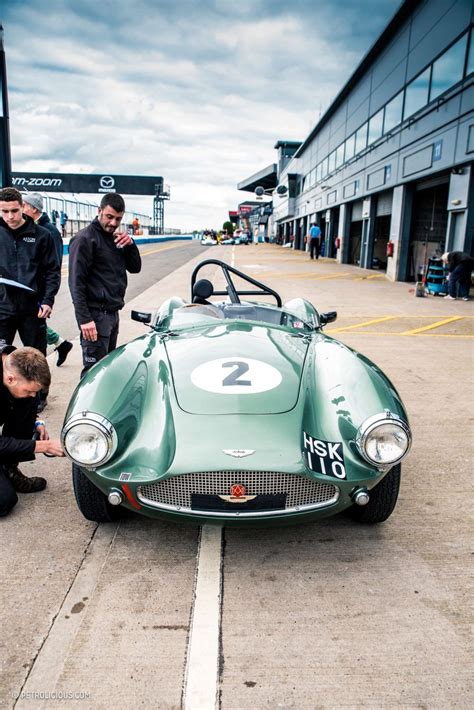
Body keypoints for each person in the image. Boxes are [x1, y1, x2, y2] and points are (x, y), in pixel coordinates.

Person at [68, 193, 142, 376]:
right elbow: (76, 283)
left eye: (118, 219)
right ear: (99, 211)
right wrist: (84, 319)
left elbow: (135, 268)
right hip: (95, 316)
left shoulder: (115, 238)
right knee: (93, 374)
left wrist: (131, 245)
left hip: (112, 314)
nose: (113, 223)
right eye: (109, 217)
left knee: (108, 372)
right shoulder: (84, 239)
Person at [0, 345, 64, 517]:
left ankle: (8, 468)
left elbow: (28, 402)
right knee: (4, 501)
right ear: (10, 379)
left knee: (26, 402)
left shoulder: (14, 361)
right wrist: (45, 446)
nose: (32, 395)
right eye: (29, 390)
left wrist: (37, 422)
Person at [0, 187, 60, 356]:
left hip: (33, 310)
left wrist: (48, 300)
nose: (10, 216)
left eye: (14, 211)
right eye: (5, 211)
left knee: (36, 360)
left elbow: (52, 271)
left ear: (22, 207)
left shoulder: (43, 235)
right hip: (2, 309)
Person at [22, 193, 73, 367]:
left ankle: (59, 345)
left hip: (39, 290)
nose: (22, 209)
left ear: (33, 208)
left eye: (24, 205)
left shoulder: (49, 232)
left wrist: (46, 295)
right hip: (29, 288)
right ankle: (61, 344)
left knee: (36, 327)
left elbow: (54, 265)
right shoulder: (28, 228)